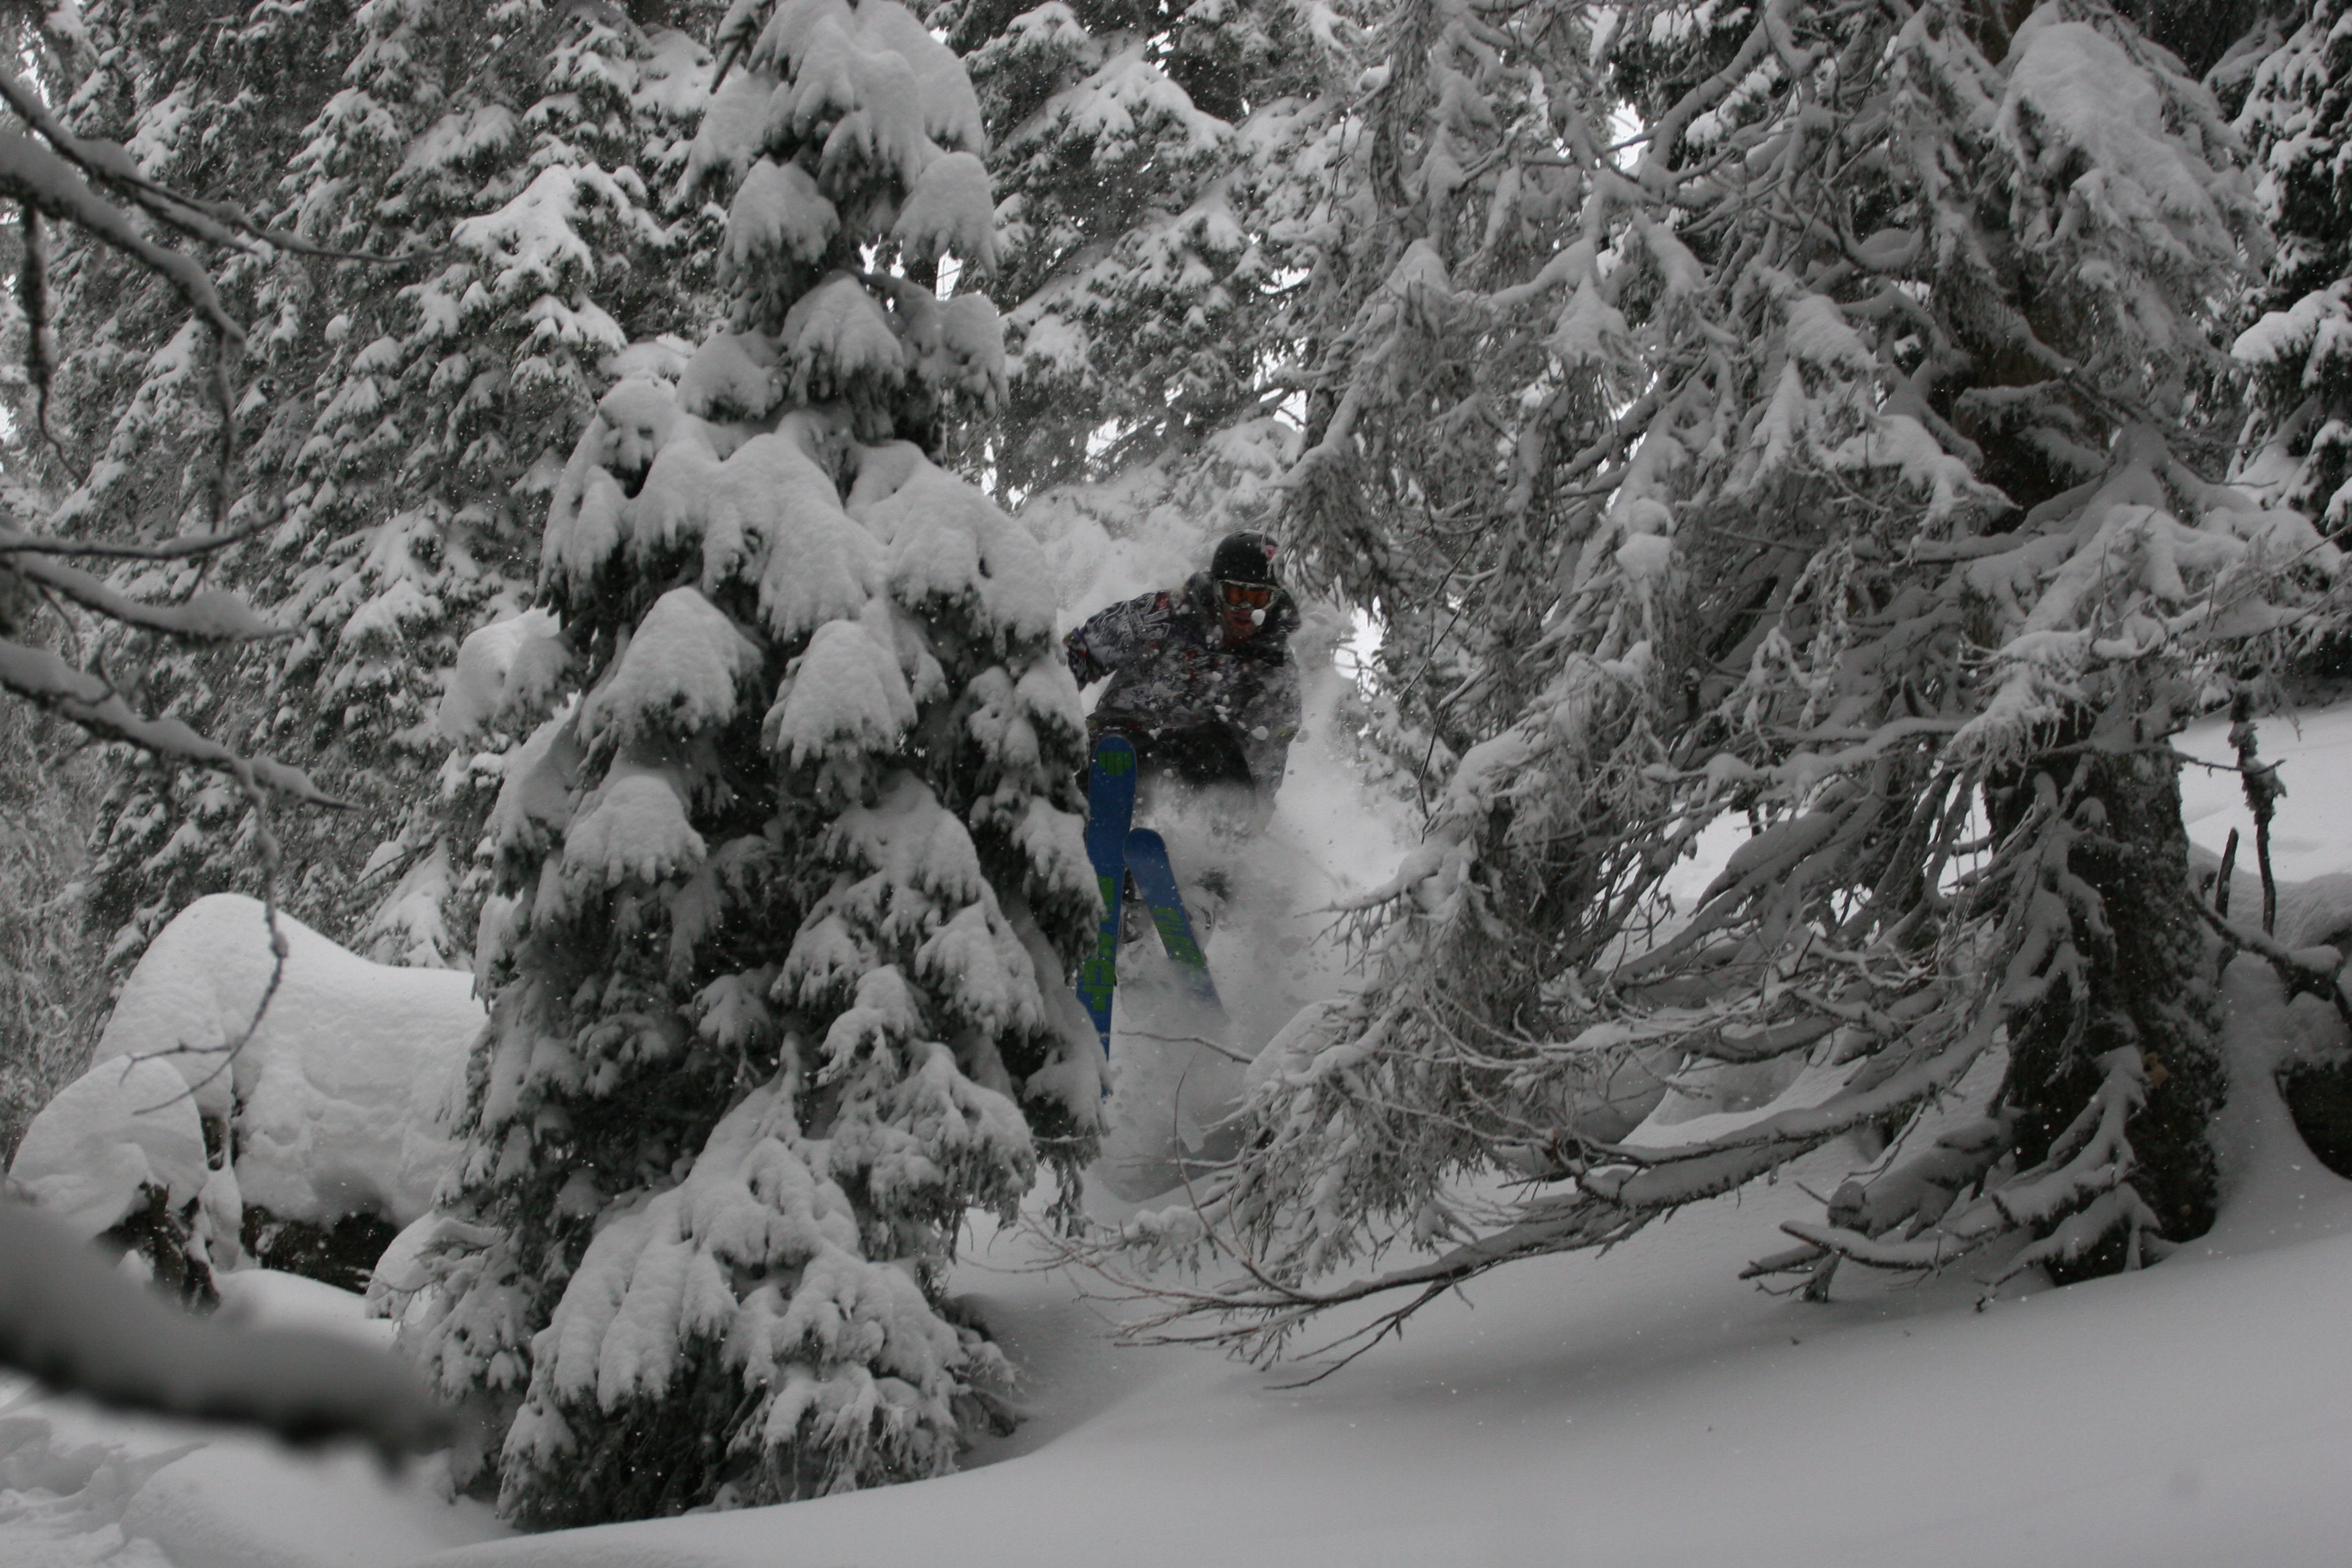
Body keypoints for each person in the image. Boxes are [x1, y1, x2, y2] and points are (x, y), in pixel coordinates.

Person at [1064, 530, 1301, 834]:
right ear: (1216, 589)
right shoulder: (1165, 613)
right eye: (1236, 596)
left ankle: (1214, 863)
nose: (1246, 611)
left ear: (1274, 601)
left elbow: (1269, 756)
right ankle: (1097, 832)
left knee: (1221, 756)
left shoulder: (1274, 668)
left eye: (1259, 599)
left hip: (1202, 758)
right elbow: (1081, 652)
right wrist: (1044, 703)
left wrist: (1250, 822)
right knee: (1113, 751)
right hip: (1125, 730)